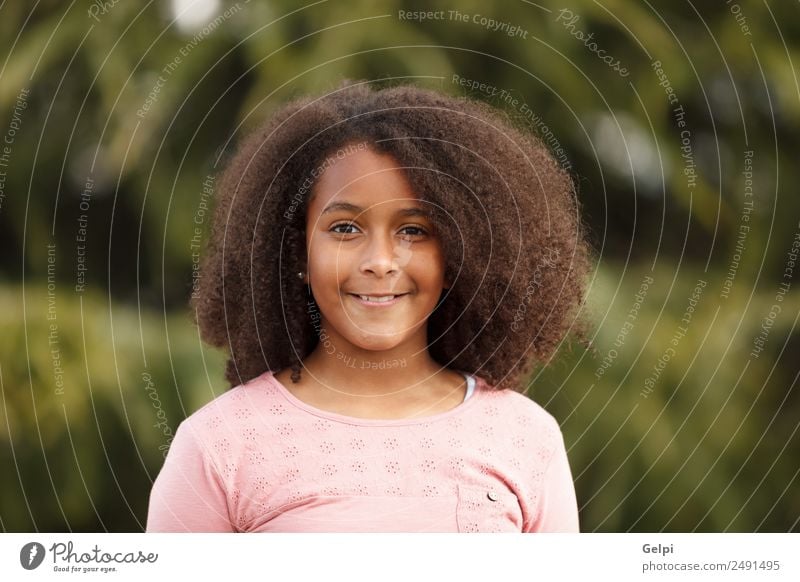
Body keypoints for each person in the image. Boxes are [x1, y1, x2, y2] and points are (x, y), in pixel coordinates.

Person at [146, 81, 594, 532]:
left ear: (459, 252)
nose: (380, 262)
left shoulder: (524, 438)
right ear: (298, 253)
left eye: (414, 230)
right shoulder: (219, 446)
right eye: (344, 228)